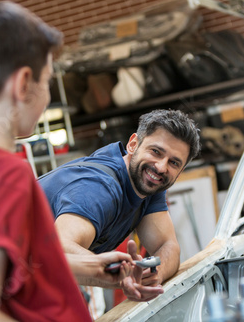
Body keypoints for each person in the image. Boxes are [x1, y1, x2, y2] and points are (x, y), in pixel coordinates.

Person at [0, 1, 132, 321]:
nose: (48, 95)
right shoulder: (2, 172)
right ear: (24, 83)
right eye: (48, 81)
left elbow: (15, 272)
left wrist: (93, 268)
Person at [39, 109, 201, 303]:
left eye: (174, 163)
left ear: (180, 172)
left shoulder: (148, 185)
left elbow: (167, 246)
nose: (161, 167)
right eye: (156, 151)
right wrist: (122, 275)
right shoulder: (99, 189)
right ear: (133, 144)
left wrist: (154, 274)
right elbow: (60, 249)